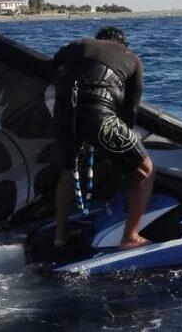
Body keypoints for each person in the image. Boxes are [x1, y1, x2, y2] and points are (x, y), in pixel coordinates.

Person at [51, 26, 154, 249]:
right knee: (145, 171)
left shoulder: (78, 45)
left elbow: (51, 68)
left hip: (64, 114)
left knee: (70, 169)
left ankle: (60, 236)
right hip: (100, 113)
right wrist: (119, 152)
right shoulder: (133, 60)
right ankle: (130, 238)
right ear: (124, 44)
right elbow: (131, 112)